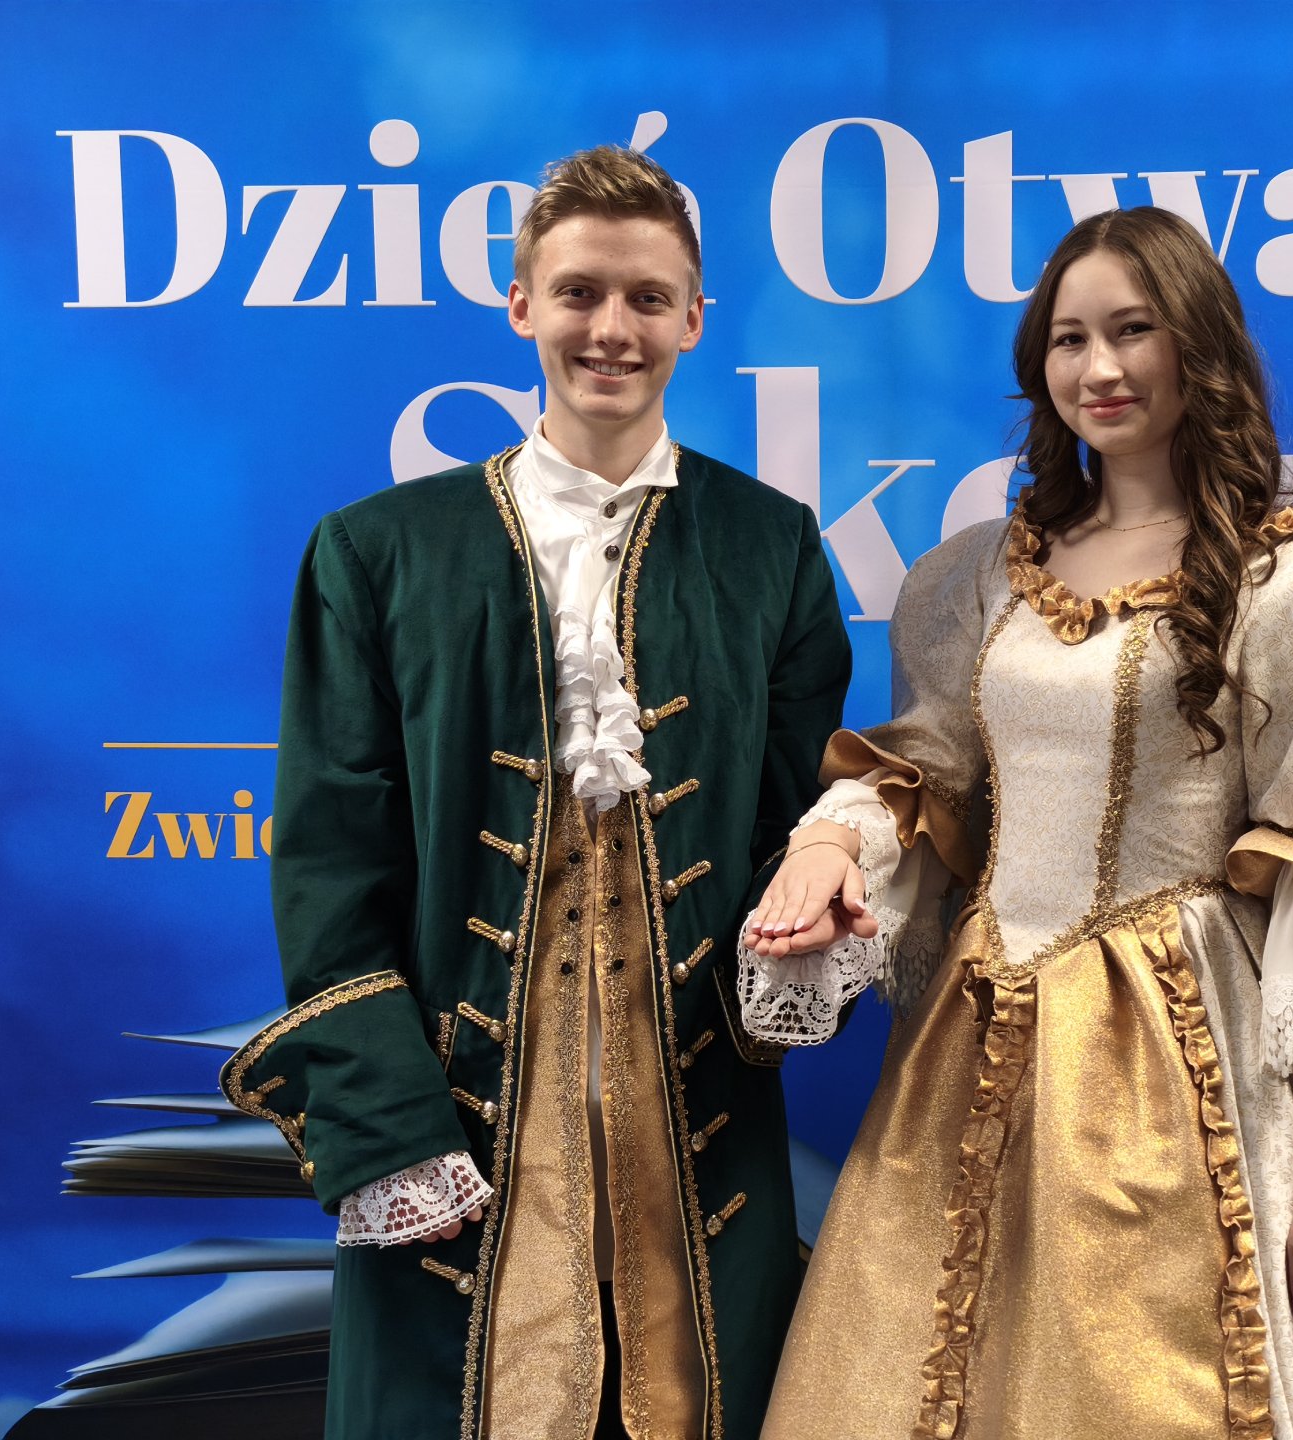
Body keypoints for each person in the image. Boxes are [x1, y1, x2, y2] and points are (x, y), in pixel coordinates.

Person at [738, 207, 1293, 1438]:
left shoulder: (1288, 589)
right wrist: (827, 848)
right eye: (1071, 338)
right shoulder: (975, 576)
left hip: (1178, 1062)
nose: (1100, 368)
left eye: (1133, 330)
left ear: (1198, 347)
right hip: (976, 1040)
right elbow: (927, 781)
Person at [222, 146, 850, 1440]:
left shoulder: (771, 545)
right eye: (578, 293)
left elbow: (795, 823)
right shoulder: (376, 552)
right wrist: (388, 1125)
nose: (612, 328)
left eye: (646, 298)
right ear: (521, 307)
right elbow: (332, 862)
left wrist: (804, 935)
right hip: (461, 1117)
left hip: (696, 1120)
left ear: (694, 318)